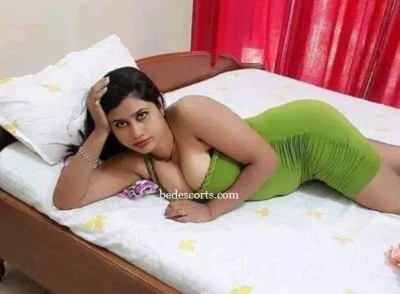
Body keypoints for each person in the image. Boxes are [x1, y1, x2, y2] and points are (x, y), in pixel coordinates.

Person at [53, 66, 400, 222]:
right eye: (121, 124)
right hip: (296, 155)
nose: (136, 132)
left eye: (142, 115)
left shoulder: (190, 113)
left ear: (159, 104)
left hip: (309, 137)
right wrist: (99, 132)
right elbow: (66, 200)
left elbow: (265, 161)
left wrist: (211, 210)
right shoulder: (134, 162)